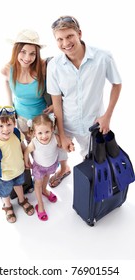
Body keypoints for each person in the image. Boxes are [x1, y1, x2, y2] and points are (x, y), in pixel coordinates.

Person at [46, 15, 122, 187]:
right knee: (57, 148)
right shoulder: (54, 66)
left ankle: (95, 186)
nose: (65, 43)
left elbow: (117, 85)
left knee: (93, 161)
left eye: (69, 36)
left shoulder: (103, 57)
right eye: (60, 39)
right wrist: (63, 135)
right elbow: (56, 101)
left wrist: (107, 116)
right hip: (67, 121)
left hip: (93, 122)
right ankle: (64, 168)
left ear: (79, 33)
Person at [1, 29, 53, 142]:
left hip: (42, 119)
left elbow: (59, 88)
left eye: (32, 53)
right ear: (16, 50)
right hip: (21, 118)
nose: (27, 58)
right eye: (23, 52)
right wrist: (10, 110)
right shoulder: (8, 69)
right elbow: (7, 83)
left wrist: (54, 105)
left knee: (46, 152)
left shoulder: (43, 68)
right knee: (29, 148)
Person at [0, 106, 34, 223]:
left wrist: (27, 159)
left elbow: (23, 147)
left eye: (9, 125)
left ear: (14, 124)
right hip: (4, 175)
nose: (6, 129)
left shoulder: (17, 133)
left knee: (19, 186)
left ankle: (22, 200)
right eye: (1, 126)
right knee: (5, 192)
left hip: (19, 170)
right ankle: (7, 206)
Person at [24, 113, 74, 221]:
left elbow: (63, 145)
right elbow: (27, 151)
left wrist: (70, 146)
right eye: (40, 133)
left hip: (51, 165)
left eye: (47, 131)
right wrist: (26, 161)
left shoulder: (55, 138)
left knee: (46, 177)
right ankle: (40, 204)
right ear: (34, 133)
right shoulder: (34, 142)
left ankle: (44, 190)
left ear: (52, 128)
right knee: (38, 183)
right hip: (39, 168)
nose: (44, 136)